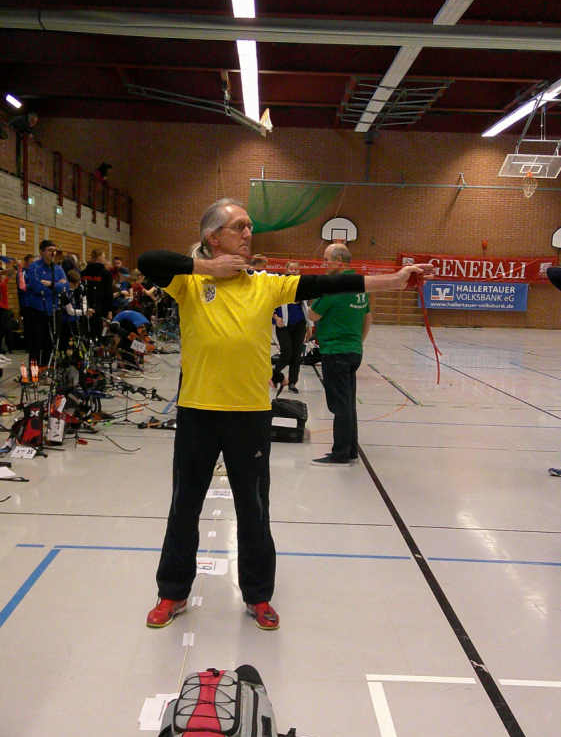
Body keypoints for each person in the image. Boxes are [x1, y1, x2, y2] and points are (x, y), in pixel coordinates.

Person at [137, 197, 434, 632]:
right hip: (198, 412)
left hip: (250, 415)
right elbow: (148, 260)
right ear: (212, 237)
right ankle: (172, 592)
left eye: (249, 227)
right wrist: (208, 268)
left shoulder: (266, 285)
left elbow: (327, 284)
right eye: (239, 226)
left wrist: (393, 280)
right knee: (185, 505)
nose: (248, 233)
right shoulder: (188, 282)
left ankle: (258, 595)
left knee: (254, 508)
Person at [308, 243, 372, 467]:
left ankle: (341, 453)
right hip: (353, 351)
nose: (324, 263)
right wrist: (357, 343)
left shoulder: (335, 286)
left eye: (326, 259)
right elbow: (368, 318)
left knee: (340, 406)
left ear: (338, 261)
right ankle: (351, 449)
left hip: (335, 352)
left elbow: (313, 315)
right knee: (348, 404)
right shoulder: (360, 285)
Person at [25, 239, 68, 367]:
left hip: (54, 311)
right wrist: (56, 286)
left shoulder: (59, 269)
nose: (53, 253)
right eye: (50, 250)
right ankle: (34, 373)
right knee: (36, 345)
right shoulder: (34, 267)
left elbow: (65, 288)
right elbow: (37, 287)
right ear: (42, 252)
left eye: (54, 250)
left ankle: (45, 371)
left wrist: (49, 284)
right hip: (37, 310)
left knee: (50, 344)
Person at [271, 260, 312, 393]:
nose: (293, 271)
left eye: (296, 269)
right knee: (286, 353)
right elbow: (270, 303)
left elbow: (305, 306)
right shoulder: (279, 284)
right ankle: (274, 375)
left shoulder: (302, 285)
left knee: (296, 355)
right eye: (291, 269)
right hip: (283, 324)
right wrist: (276, 318)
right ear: (286, 269)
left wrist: (309, 326)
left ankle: (292, 382)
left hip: (299, 323)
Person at [81, 248, 113, 339]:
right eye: (104, 257)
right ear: (99, 258)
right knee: (100, 333)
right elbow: (108, 292)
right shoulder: (106, 274)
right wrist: (109, 310)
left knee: (87, 331)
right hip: (101, 307)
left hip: (86, 306)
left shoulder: (84, 273)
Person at [8, 112, 38, 177]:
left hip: (16, 141)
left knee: (19, 155)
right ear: (29, 119)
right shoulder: (22, 121)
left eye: (35, 122)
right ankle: (15, 171)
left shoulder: (28, 125)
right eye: (32, 121)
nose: (33, 123)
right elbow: (25, 130)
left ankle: (17, 171)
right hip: (12, 139)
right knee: (16, 155)